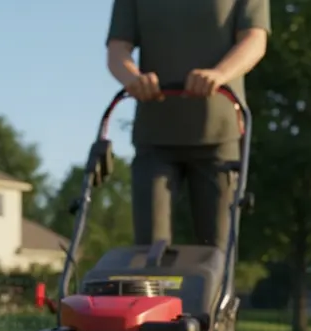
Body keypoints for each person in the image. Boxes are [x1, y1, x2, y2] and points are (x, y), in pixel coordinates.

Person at [106, 0, 271, 252]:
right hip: (155, 135)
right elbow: (118, 48)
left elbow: (254, 39)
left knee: (217, 253)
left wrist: (219, 75)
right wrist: (133, 78)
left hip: (218, 136)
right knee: (151, 253)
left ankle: (217, 292)